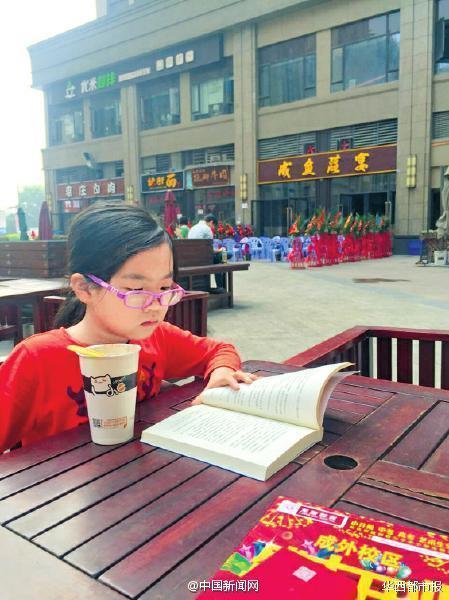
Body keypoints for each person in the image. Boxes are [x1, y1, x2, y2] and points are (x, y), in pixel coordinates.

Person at [0, 202, 256, 453]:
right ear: (85, 288)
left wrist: (222, 370)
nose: (155, 306)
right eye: (136, 290)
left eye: (164, 288)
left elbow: (219, 350)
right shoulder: (37, 360)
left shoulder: (157, 338)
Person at [188, 213, 225, 291]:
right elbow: (209, 249)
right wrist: (217, 251)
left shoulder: (193, 228)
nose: (213, 228)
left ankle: (220, 288)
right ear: (211, 222)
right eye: (214, 226)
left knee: (217, 259)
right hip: (202, 259)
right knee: (219, 262)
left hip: (191, 259)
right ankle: (221, 287)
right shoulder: (207, 229)